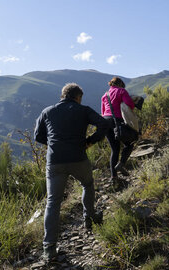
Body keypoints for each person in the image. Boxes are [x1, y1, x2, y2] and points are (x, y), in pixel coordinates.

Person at [34, 83, 108, 262]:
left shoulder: (48, 111)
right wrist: (90, 141)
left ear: (63, 95)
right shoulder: (83, 110)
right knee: (87, 184)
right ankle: (89, 218)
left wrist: (54, 144)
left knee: (53, 202)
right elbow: (104, 125)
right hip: (78, 158)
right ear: (78, 97)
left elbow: (37, 136)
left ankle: (49, 248)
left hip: (55, 162)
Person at [101, 76, 137, 183]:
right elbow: (130, 105)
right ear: (121, 84)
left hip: (105, 121)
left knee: (114, 149)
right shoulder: (122, 91)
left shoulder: (104, 95)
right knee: (130, 142)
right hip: (117, 120)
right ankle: (121, 164)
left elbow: (103, 112)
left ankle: (114, 177)